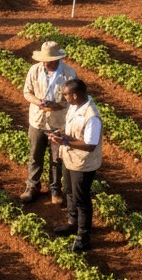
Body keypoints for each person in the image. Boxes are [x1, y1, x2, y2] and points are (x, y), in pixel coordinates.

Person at [21, 41, 77, 204]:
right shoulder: (35, 70)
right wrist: (39, 102)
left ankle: (55, 189)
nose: (45, 63)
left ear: (57, 59)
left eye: (49, 60)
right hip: (38, 121)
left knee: (56, 158)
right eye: (44, 60)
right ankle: (32, 186)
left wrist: (57, 105)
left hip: (58, 123)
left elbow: (73, 99)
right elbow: (27, 92)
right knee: (35, 155)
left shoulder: (68, 74)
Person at [50, 78, 103, 252]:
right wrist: (62, 135)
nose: (64, 97)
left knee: (81, 199)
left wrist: (65, 141)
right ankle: (73, 223)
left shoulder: (91, 116)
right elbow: (74, 131)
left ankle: (83, 237)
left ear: (75, 95)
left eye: (66, 94)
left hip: (83, 164)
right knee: (69, 192)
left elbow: (90, 145)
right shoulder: (75, 106)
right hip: (70, 159)